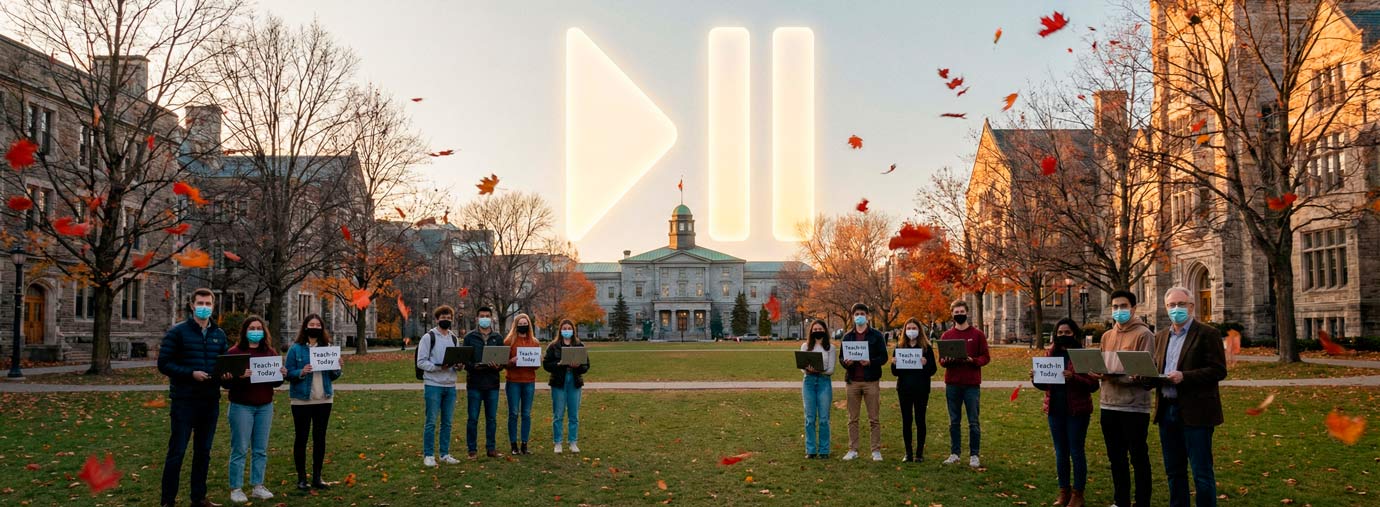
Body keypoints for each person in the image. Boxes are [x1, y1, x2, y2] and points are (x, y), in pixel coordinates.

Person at [1149, 287, 1226, 507]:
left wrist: (1185, 376)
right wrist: (1144, 376)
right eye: (1172, 305)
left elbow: (1218, 370)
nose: (1176, 309)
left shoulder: (1207, 334)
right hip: (1167, 411)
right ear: (1166, 308)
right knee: (1174, 471)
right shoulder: (1161, 336)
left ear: (1192, 307)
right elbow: (1157, 369)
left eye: (1181, 304)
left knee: (1201, 473)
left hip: (1196, 413)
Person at [158, 288, 231, 507]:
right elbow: (164, 364)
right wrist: (190, 374)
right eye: (200, 303)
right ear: (192, 305)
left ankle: (198, 498)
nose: (204, 307)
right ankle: (167, 501)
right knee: (177, 451)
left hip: (209, 401)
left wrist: (226, 376)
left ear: (213, 306)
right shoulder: (177, 332)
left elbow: (224, 366)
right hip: (184, 400)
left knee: (203, 452)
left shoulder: (219, 334)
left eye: (208, 303)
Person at [1096, 289, 1156, 507]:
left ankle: (1142, 502)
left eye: (1123, 306)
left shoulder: (1144, 334)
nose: (1118, 311)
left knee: (1138, 457)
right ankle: (1120, 500)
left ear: (1133, 308)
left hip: (1134, 407)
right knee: (1116, 458)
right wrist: (1097, 372)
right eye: (1115, 307)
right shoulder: (1106, 336)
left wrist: (1115, 376)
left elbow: (1146, 373)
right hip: (1108, 404)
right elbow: (1102, 366)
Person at [1032, 318, 1099, 507]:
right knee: (1061, 453)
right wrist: (1035, 378)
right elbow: (1044, 385)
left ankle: (1078, 494)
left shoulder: (1082, 355)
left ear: (1074, 334)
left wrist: (1074, 378)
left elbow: (1094, 385)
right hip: (1055, 409)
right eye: (1060, 333)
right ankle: (1064, 491)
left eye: (1067, 333)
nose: (1063, 336)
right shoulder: (1050, 354)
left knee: (1076, 452)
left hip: (1077, 411)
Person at [223, 316, 286, 504]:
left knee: (260, 449)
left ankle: (258, 485)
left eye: (259, 328)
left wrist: (281, 374)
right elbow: (225, 383)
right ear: (245, 330)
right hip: (241, 407)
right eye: (252, 327)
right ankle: (236, 487)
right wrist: (239, 376)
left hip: (264, 407)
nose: (256, 331)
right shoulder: (234, 352)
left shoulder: (269, 352)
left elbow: (275, 382)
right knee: (240, 448)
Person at [284, 314, 342, 491]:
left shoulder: (328, 348)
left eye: (318, 324)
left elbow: (334, 376)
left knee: (320, 438)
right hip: (302, 400)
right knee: (301, 438)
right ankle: (302, 478)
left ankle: (317, 476)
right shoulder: (295, 349)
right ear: (305, 327)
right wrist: (301, 372)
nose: (315, 327)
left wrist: (337, 367)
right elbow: (288, 373)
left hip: (323, 399)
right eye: (311, 324)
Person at [939, 299, 990, 468]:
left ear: (967, 313)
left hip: (971, 384)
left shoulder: (977, 334)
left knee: (973, 421)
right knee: (954, 421)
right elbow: (941, 360)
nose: (959, 315)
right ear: (952, 314)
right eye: (956, 312)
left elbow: (986, 357)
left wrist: (973, 360)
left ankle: (974, 454)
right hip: (952, 383)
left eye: (962, 312)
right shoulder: (947, 336)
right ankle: (955, 453)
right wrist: (946, 360)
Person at [416, 305, 464, 467]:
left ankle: (445, 453)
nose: (446, 321)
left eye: (449, 318)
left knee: (447, 422)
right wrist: (438, 367)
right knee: (431, 421)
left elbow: (458, 357)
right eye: (443, 318)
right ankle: (428, 454)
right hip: (433, 384)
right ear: (437, 320)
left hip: (450, 385)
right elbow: (421, 362)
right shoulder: (429, 337)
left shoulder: (453, 338)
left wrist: (459, 365)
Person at [839, 302, 887, 461]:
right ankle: (853, 449)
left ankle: (876, 450)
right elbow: (841, 357)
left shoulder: (877, 336)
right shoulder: (848, 336)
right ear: (853, 317)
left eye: (862, 314)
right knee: (852, 418)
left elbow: (884, 357)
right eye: (856, 314)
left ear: (868, 316)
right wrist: (846, 362)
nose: (859, 317)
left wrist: (871, 362)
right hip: (852, 381)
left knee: (874, 418)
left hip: (871, 381)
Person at [891, 318, 937, 463]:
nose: (911, 330)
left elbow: (933, 370)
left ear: (919, 330)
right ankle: (908, 453)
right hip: (904, 389)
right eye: (909, 328)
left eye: (914, 328)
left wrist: (925, 363)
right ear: (905, 330)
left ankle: (919, 453)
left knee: (920, 419)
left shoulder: (926, 348)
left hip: (921, 389)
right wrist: (894, 364)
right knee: (906, 420)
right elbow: (895, 373)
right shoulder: (899, 347)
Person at [543, 319, 591, 454]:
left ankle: (573, 441)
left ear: (573, 330)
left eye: (569, 328)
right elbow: (546, 364)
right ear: (560, 330)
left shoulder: (579, 345)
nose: (567, 330)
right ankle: (557, 442)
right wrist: (558, 364)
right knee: (558, 414)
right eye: (564, 328)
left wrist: (578, 367)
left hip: (574, 381)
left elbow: (586, 365)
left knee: (573, 414)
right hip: (559, 381)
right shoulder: (553, 346)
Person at [464, 305, 506, 458]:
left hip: (492, 383)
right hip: (475, 383)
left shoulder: (498, 338)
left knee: (492, 418)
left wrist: (498, 366)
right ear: (477, 318)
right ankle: (472, 449)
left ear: (491, 318)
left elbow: (503, 362)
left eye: (487, 316)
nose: (484, 319)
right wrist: (474, 366)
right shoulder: (470, 338)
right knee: (473, 418)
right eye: (482, 316)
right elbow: (465, 360)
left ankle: (491, 448)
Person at [504, 313, 541, 455]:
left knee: (526, 414)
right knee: (513, 413)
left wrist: (538, 360)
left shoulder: (534, 342)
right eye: (521, 323)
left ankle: (524, 444)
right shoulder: (509, 342)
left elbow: (536, 366)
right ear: (516, 325)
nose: (523, 326)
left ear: (529, 325)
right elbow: (504, 364)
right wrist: (511, 361)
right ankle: (513, 445)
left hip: (529, 382)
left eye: (526, 324)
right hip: (513, 381)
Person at [799, 319, 835, 459]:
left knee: (824, 418)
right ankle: (811, 450)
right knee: (810, 417)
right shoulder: (805, 346)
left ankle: (824, 450)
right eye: (815, 329)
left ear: (824, 331)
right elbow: (802, 367)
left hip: (824, 382)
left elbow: (831, 370)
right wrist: (807, 369)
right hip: (808, 382)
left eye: (820, 329)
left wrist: (819, 370)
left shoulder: (830, 348)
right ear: (811, 331)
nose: (817, 331)